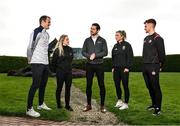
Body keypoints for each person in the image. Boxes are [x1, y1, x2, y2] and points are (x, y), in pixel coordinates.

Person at [26, 15, 52, 118]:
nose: (50, 23)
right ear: (42, 22)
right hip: (36, 62)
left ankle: (41, 104)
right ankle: (29, 109)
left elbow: (44, 48)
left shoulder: (47, 34)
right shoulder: (36, 32)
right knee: (35, 84)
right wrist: (30, 59)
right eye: (48, 22)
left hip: (45, 63)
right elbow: (30, 47)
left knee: (43, 84)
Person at [82, 23, 108, 113]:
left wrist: (95, 55)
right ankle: (88, 105)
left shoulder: (102, 40)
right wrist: (89, 56)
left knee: (101, 85)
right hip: (89, 65)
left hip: (99, 65)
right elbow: (83, 52)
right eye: (91, 28)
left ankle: (102, 105)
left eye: (93, 29)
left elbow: (105, 52)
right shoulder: (87, 40)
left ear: (98, 30)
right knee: (88, 85)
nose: (91, 30)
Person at [143, 19, 166, 116]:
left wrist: (160, 66)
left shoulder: (158, 38)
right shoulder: (145, 38)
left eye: (145, 26)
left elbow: (162, 55)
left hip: (153, 66)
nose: (144, 28)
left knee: (155, 87)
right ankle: (153, 104)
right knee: (149, 86)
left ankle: (158, 108)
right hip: (145, 66)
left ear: (151, 26)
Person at [112, 30, 134, 110]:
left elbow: (130, 57)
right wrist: (113, 67)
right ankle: (119, 101)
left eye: (117, 35)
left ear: (122, 36)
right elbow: (113, 57)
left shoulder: (127, 45)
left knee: (125, 86)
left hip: (124, 70)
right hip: (116, 70)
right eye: (115, 35)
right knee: (117, 85)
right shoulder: (115, 46)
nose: (116, 37)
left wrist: (127, 67)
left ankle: (126, 103)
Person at [52, 35, 74, 111]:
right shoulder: (57, 50)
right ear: (62, 40)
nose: (68, 40)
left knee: (68, 89)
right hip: (60, 72)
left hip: (69, 73)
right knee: (59, 88)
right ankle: (58, 105)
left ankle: (67, 105)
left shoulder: (70, 49)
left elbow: (71, 60)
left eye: (68, 39)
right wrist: (56, 71)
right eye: (67, 39)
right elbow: (53, 63)